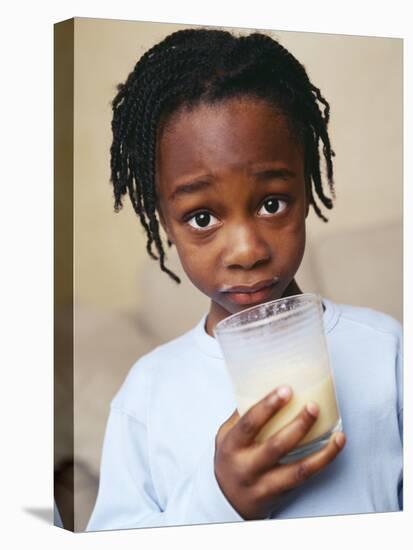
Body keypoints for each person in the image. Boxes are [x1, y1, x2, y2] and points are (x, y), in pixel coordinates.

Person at [86, 28, 403, 531]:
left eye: (271, 203)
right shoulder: (148, 393)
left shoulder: (388, 350)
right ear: (165, 221)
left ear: (305, 185)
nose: (247, 251)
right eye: (202, 217)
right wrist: (222, 501)